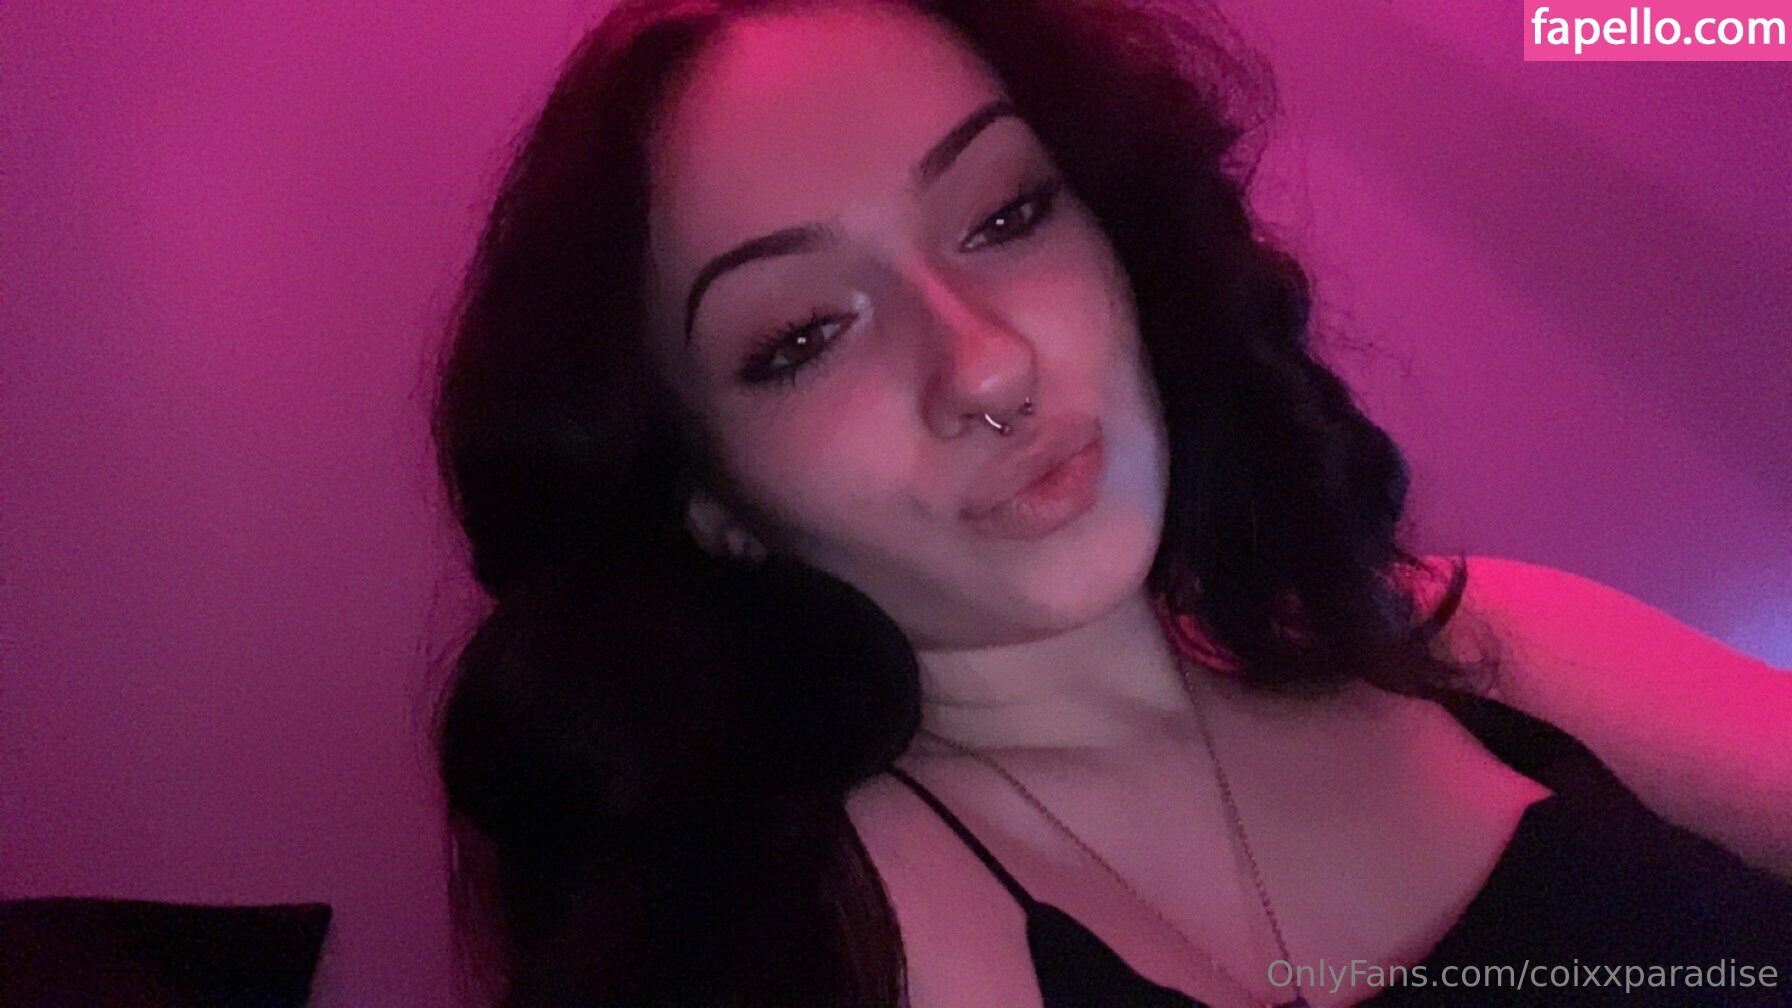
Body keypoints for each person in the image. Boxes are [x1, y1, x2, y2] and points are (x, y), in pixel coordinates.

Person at [426, 0, 1792, 1005]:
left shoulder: (1484, 647)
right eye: (803, 338)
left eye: (1008, 214)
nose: (985, 366)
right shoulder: (786, 950)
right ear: (706, 500)